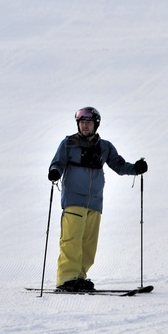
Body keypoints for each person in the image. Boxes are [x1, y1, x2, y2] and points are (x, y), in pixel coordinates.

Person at [48, 107, 147, 291]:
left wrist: (136, 168)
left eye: (89, 122)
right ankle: (66, 279)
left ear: (96, 124)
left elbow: (118, 165)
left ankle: (79, 277)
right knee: (71, 240)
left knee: (88, 244)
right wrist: (54, 172)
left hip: (95, 202)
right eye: (82, 122)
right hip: (73, 200)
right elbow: (58, 163)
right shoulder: (68, 144)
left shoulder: (105, 146)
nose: (85, 126)